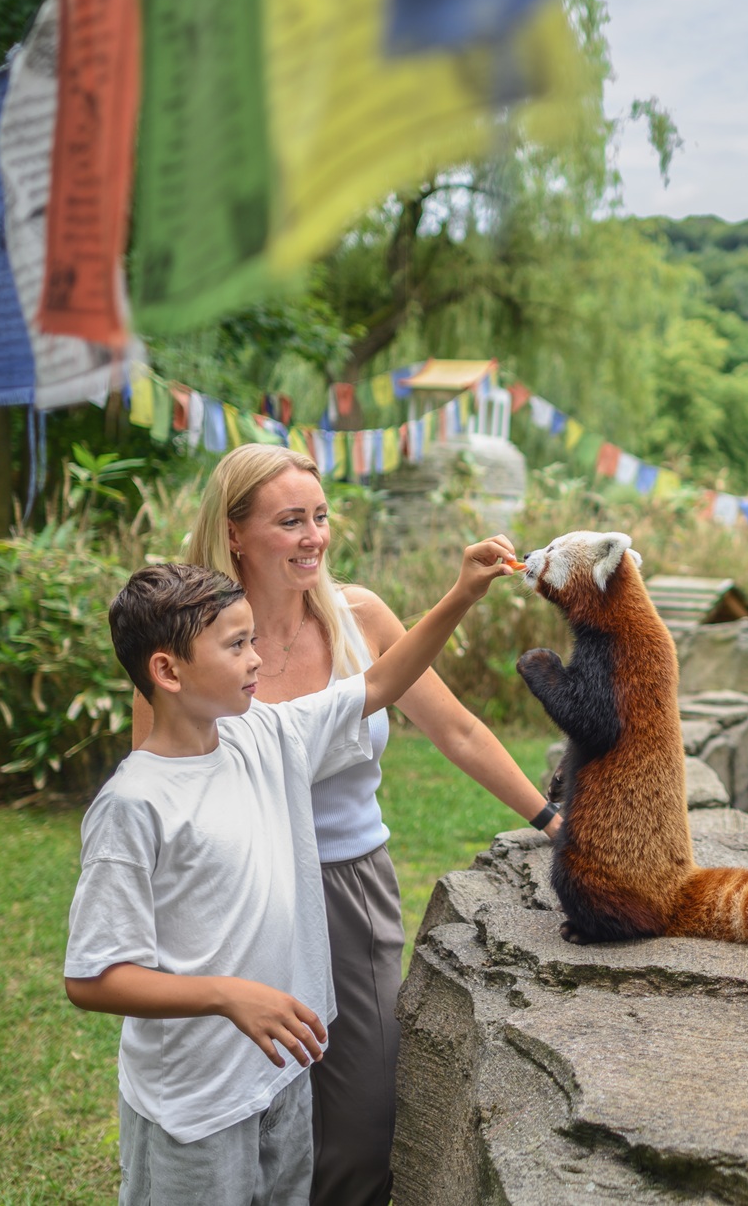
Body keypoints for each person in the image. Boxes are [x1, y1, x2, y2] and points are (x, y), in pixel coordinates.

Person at [131, 443, 559, 1206]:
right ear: (235, 532)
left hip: (351, 889)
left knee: (363, 1122)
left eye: (321, 517)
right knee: (250, 1113)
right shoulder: (188, 644)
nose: (314, 537)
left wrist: (549, 815)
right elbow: (161, 789)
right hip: (240, 897)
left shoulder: (358, 614)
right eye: (290, 520)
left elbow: (455, 728)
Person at [64, 538, 516, 1205]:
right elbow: (92, 978)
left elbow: (383, 681)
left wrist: (462, 595)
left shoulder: (265, 735)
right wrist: (228, 994)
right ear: (167, 669)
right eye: (237, 646)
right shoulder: (134, 807)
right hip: (195, 1101)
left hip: (279, 1076)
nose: (258, 660)